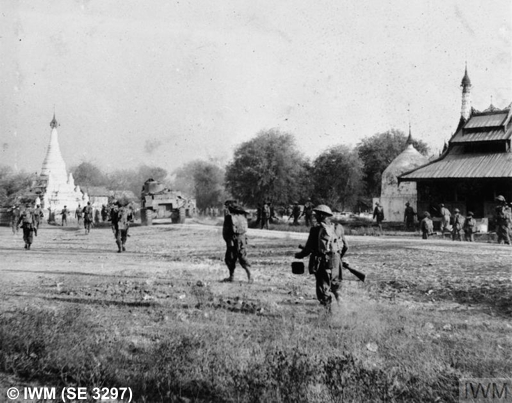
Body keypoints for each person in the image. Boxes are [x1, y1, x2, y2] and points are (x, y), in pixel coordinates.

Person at [294, 204, 348, 312]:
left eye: (316, 214)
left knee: (323, 288)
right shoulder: (338, 227)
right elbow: (346, 246)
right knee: (336, 288)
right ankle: (344, 311)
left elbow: (308, 249)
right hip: (336, 262)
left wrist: (298, 255)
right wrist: (338, 258)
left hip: (322, 263)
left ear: (321, 215)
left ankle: (328, 314)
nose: (314, 216)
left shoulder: (315, 230)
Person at [222, 200, 252, 283]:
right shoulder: (242, 216)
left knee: (230, 258)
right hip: (242, 239)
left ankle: (232, 277)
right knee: (242, 257)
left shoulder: (229, 217)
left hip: (232, 240)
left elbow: (225, 231)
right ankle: (250, 276)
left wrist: (228, 240)